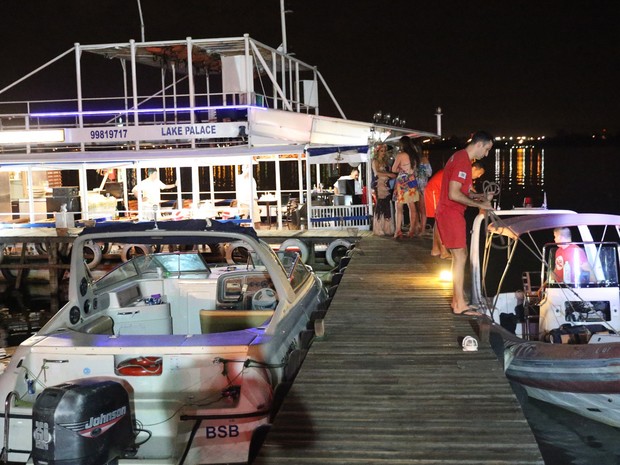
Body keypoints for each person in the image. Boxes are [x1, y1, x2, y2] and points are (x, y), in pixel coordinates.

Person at [435, 131, 494, 315]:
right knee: (460, 257)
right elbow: (454, 194)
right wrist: (479, 203)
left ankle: (457, 300)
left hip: (451, 212)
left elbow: (463, 191)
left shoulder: (460, 158)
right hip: (450, 213)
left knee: (461, 254)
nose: (486, 154)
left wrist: (481, 197)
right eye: (486, 149)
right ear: (478, 144)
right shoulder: (462, 160)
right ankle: (460, 304)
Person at [427, 162, 486, 259]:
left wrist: (481, 205)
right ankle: (443, 251)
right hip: (435, 190)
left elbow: (471, 191)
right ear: (474, 168)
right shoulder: (463, 172)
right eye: (479, 173)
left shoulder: (466, 175)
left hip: (441, 191)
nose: (479, 176)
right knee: (440, 221)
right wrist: (480, 205)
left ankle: (436, 249)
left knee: (439, 221)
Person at [391, 136, 420, 239]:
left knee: (398, 207)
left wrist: (399, 168)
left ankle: (398, 231)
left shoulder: (401, 155)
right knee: (412, 207)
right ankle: (412, 230)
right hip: (412, 181)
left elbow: (394, 169)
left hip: (403, 182)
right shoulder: (415, 156)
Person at [371, 144, 396, 236]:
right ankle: (378, 228)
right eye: (381, 151)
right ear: (377, 152)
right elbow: (377, 173)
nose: (383, 152)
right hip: (379, 184)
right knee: (380, 205)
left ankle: (387, 227)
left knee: (386, 204)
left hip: (387, 184)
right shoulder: (375, 161)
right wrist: (389, 175)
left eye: (384, 151)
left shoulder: (386, 162)